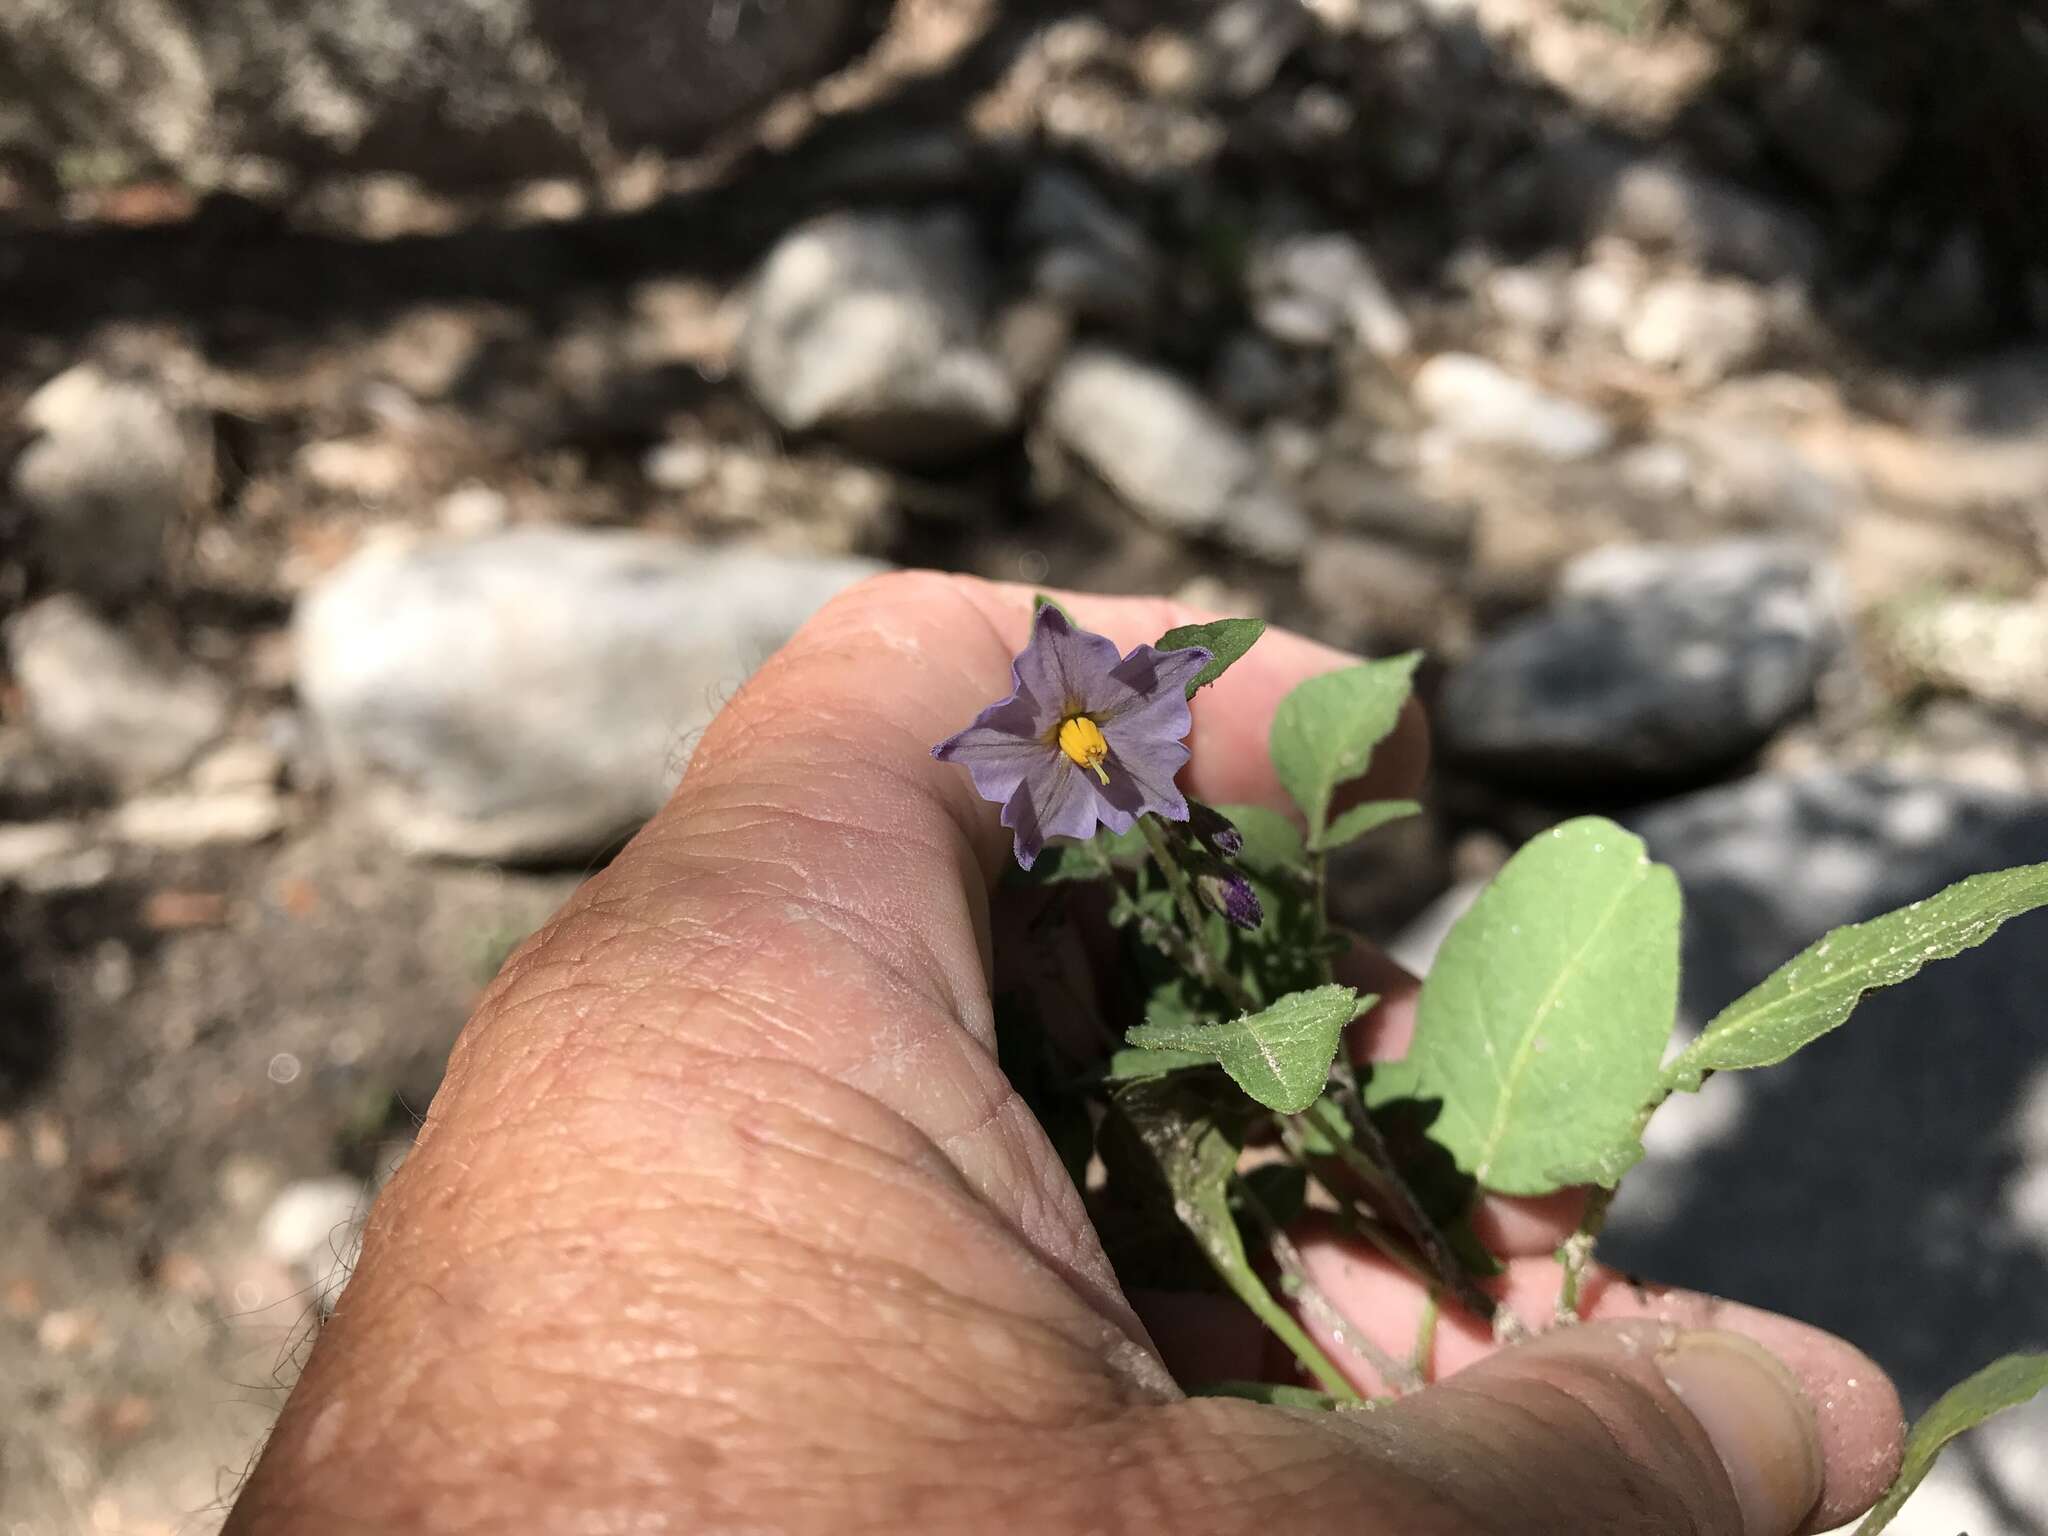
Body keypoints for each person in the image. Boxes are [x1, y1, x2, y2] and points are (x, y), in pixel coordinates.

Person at [227, 573, 1903, 1535]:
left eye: (1101, 727)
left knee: (1288, 1024)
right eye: (1070, 731)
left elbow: (1149, 791)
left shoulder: (1110, 754)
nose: (1089, 740)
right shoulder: (1077, 767)